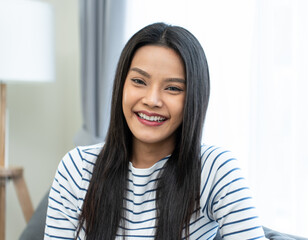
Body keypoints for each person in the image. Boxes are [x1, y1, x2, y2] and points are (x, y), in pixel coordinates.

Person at [44, 22, 266, 240]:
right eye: (139, 81)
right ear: (121, 86)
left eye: (173, 88)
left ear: (194, 98)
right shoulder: (77, 168)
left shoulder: (214, 170)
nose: (151, 100)